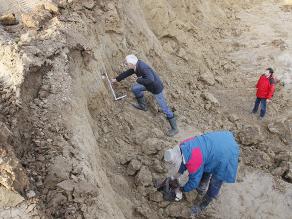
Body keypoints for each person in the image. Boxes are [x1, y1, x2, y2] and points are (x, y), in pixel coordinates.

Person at [164, 131, 240, 216]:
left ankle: (202, 205)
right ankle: (202, 188)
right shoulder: (183, 145)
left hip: (227, 154)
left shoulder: (195, 160)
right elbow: (184, 161)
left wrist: (181, 189)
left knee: (215, 183)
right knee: (206, 165)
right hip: (220, 140)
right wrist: (175, 176)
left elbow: (193, 182)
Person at [112, 54, 178, 137]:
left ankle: (175, 128)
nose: (126, 65)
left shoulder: (143, 68)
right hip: (148, 85)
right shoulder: (136, 66)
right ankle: (143, 106)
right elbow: (128, 73)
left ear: (132, 64)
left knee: (164, 107)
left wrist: (139, 80)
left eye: (127, 63)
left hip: (156, 88)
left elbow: (150, 79)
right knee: (135, 88)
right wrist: (117, 79)